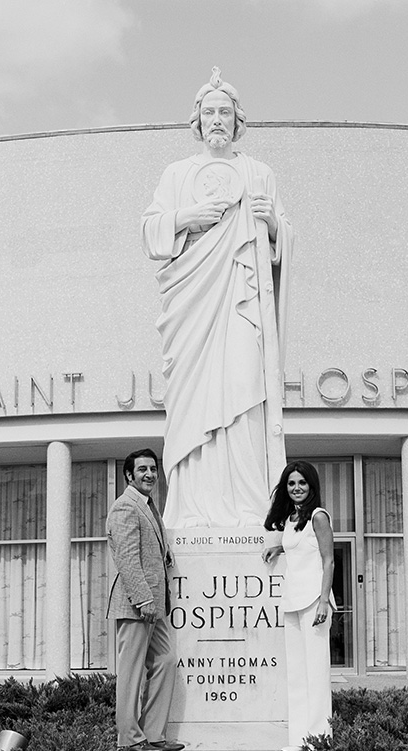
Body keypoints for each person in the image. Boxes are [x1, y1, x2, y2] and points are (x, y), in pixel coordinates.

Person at [141, 67, 293, 528]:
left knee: (244, 391)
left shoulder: (258, 172)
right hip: (192, 309)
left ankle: (249, 507)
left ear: (237, 120)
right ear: (198, 121)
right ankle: (190, 507)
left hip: (243, 308)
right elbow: (151, 232)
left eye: (225, 112)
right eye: (209, 112)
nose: (217, 120)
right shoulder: (176, 173)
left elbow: (284, 241)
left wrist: (270, 225)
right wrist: (189, 215)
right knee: (193, 399)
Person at [106, 449, 184, 751]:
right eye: (142, 470)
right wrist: (143, 599)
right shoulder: (125, 507)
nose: (149, 474)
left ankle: (153, 735)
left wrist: (165, 553)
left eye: (153, 469)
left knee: (165, 660)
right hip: (136, 604)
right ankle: (129, 738)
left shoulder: (149, 506)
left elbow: (147, 550)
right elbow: (126, 559)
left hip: (155, 605)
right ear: (129, 475)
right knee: (132, 672)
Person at [263, 461, 335, 751]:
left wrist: (323, 601)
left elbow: (328, 560)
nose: (296, 488)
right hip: (292, 600)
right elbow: (301, 547)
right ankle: (299, 738)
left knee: (316, 673)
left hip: (313, 602)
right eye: (291, 483)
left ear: (312, 486)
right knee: (296, 672)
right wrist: (278, 547)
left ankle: (319, 738)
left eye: (302, 483)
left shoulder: (319, 516)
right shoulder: (292, 518)